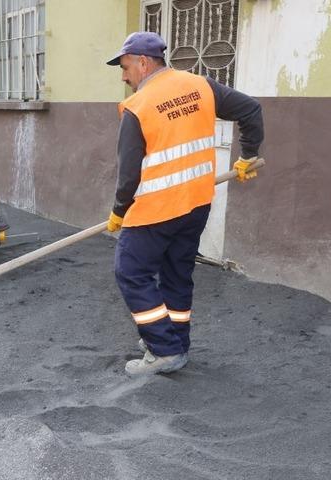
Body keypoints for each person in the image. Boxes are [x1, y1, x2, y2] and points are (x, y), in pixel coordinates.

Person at [105, 32, 264, 375]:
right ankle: (175, 341)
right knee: (177, 275)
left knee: (131, 272)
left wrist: (119, 212)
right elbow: (250, 109)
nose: (123, 75)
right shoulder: (200, 86)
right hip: (196, 203)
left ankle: (163, 351)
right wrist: (248, 156)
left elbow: (128, 174)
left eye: (125, 66)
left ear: (144, 62)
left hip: (156, 209)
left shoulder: (138, 106)